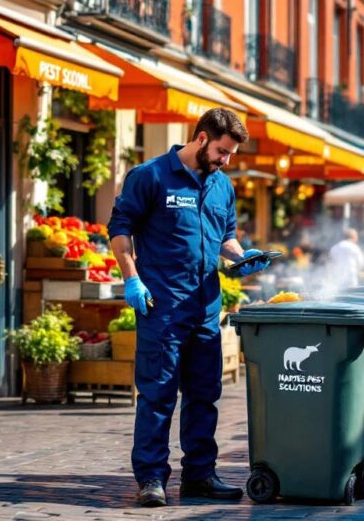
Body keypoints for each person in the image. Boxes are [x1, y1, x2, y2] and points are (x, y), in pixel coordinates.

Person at [108, 108, 273, 507]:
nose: (225, 160)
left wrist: (241, 257)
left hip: (205, 308)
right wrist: (132, 277)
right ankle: (151, 477)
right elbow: (120, 228)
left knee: (204, 394)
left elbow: (225, 239)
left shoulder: (222, 187)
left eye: (231, 154)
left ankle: (200, 475)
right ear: (200, 138)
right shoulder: (150, 176)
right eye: (221, 151)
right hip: (161, 306)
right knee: (158, 395)